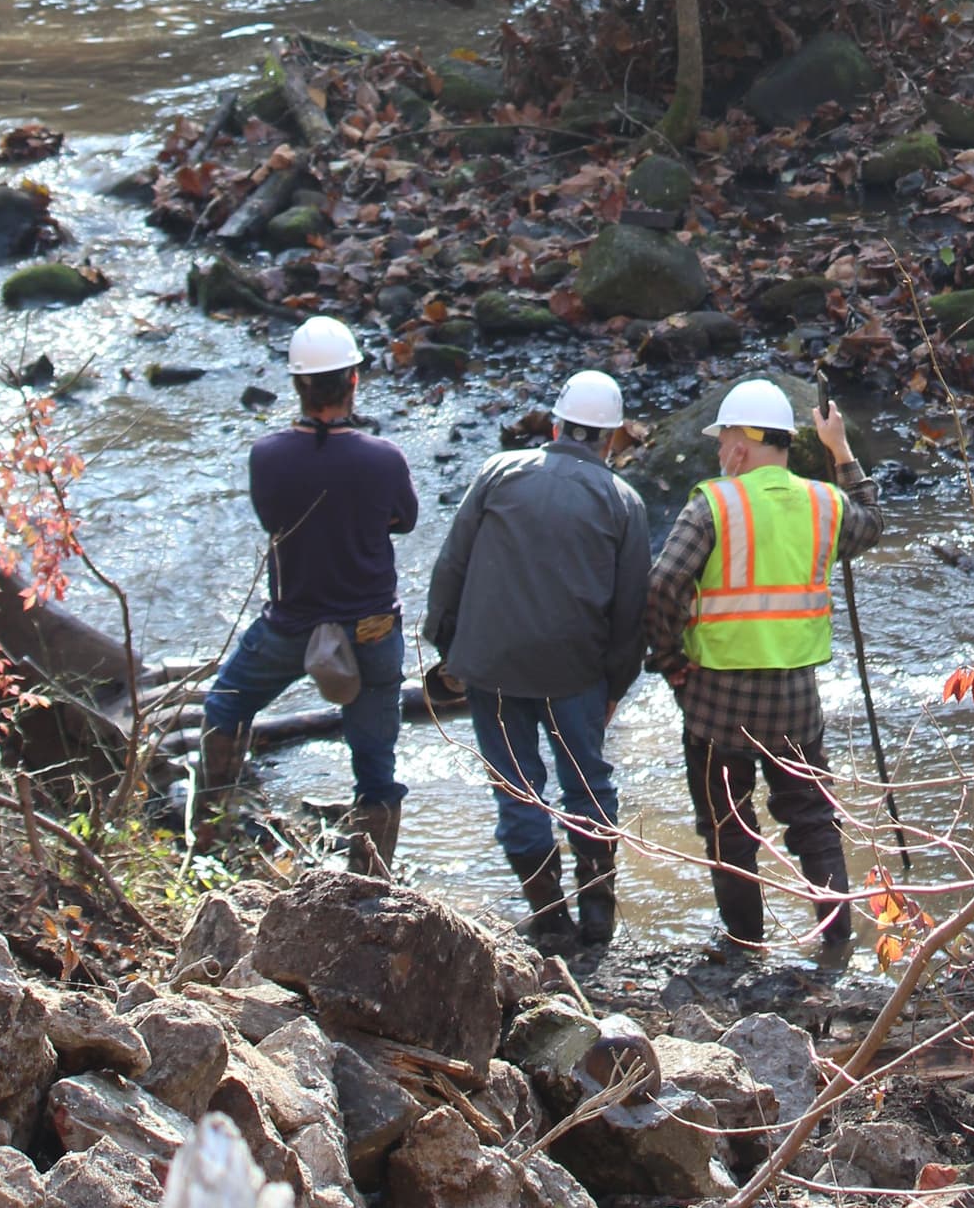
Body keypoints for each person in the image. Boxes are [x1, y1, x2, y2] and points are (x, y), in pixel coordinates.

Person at [644, 376, 881, 965]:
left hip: (715, 700)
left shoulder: (713, 504)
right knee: (813, 819)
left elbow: (663, 583)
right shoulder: (824, 503)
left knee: (727, 827)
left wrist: (670, 660)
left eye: (722, 437)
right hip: (796, 700)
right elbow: (874, 523)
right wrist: (840, 450)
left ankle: (746, 947)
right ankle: (837, 944)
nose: (720, 449)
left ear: (740, 444)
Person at [423, 368, 649, 951]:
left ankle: (549, 920)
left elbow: (452, 566)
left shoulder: (499, 471)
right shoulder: (624, 502)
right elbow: (631, 612)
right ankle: (597, 919)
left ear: (555, 426)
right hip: (576, 670)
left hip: (492, 664)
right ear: (611, 440)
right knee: (589, 785)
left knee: (516, 789)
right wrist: (616, 686)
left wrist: (448, 649)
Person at [200, 315, 418, 871]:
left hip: (291, 624)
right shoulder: (384, 458)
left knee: (225, 707)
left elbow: (271, 519)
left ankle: (209, 831)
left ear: (298, 384)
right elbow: (404, 520)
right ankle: (371, 883)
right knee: (375, 764)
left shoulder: (266, 455)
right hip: (372, 628)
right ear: (353, 381)